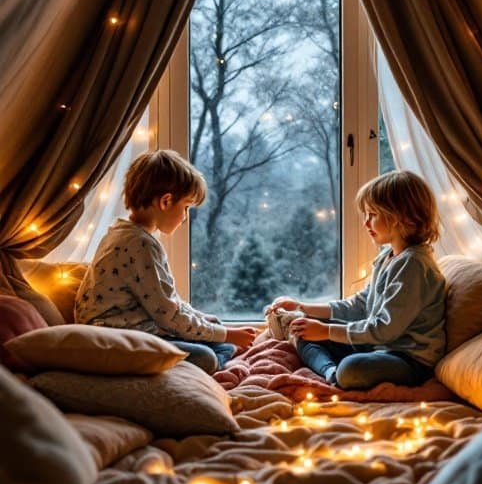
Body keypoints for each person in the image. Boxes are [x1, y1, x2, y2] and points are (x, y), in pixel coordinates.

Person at [75, 150, 258, 373]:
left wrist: (208, 323)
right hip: (122, 341)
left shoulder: (122, 233)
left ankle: (220, 350)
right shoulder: (140, 244)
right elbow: (169, 317)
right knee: (209, 356)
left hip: (135, 331)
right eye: (186, 207)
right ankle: (217, 364)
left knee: (218, 333)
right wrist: (227, 334)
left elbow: (168, 303)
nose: (185, 218)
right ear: (166, 201)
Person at [268, 170, 446, 390]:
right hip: (376, 346)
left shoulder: (414, 266)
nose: (365, 223)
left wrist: (326, 332)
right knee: (302, 330)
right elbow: (360, 305)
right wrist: (303, 308)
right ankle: (331, 372)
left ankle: (336, 372)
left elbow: (384, 329)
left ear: (401, 217)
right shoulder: (387, 257)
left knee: (352, 368)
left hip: (408, 360)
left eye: (372, 214)